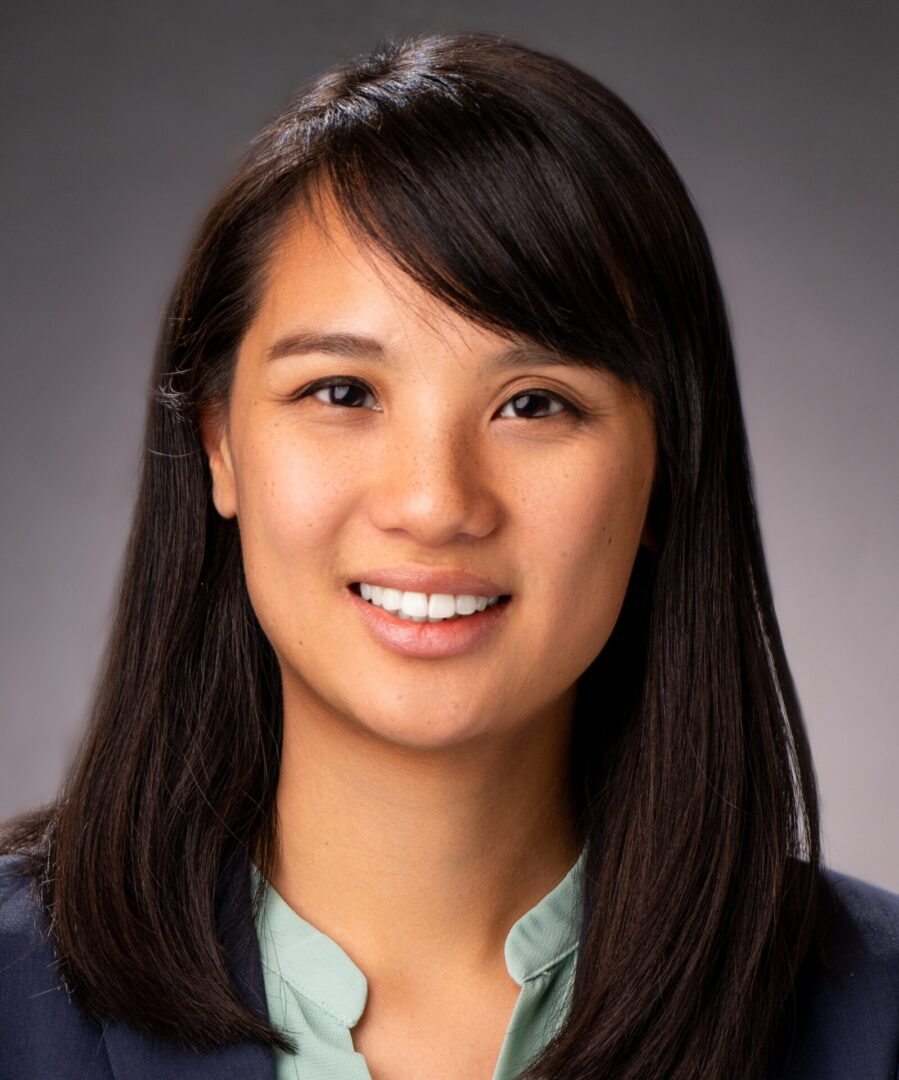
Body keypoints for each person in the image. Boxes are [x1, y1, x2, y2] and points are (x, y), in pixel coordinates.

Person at [1, 29, 897, 1080]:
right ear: (219, 449)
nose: (434, 504)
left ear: (664, 469)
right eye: (341, 393)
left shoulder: (871, 1023)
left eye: (533, 404)